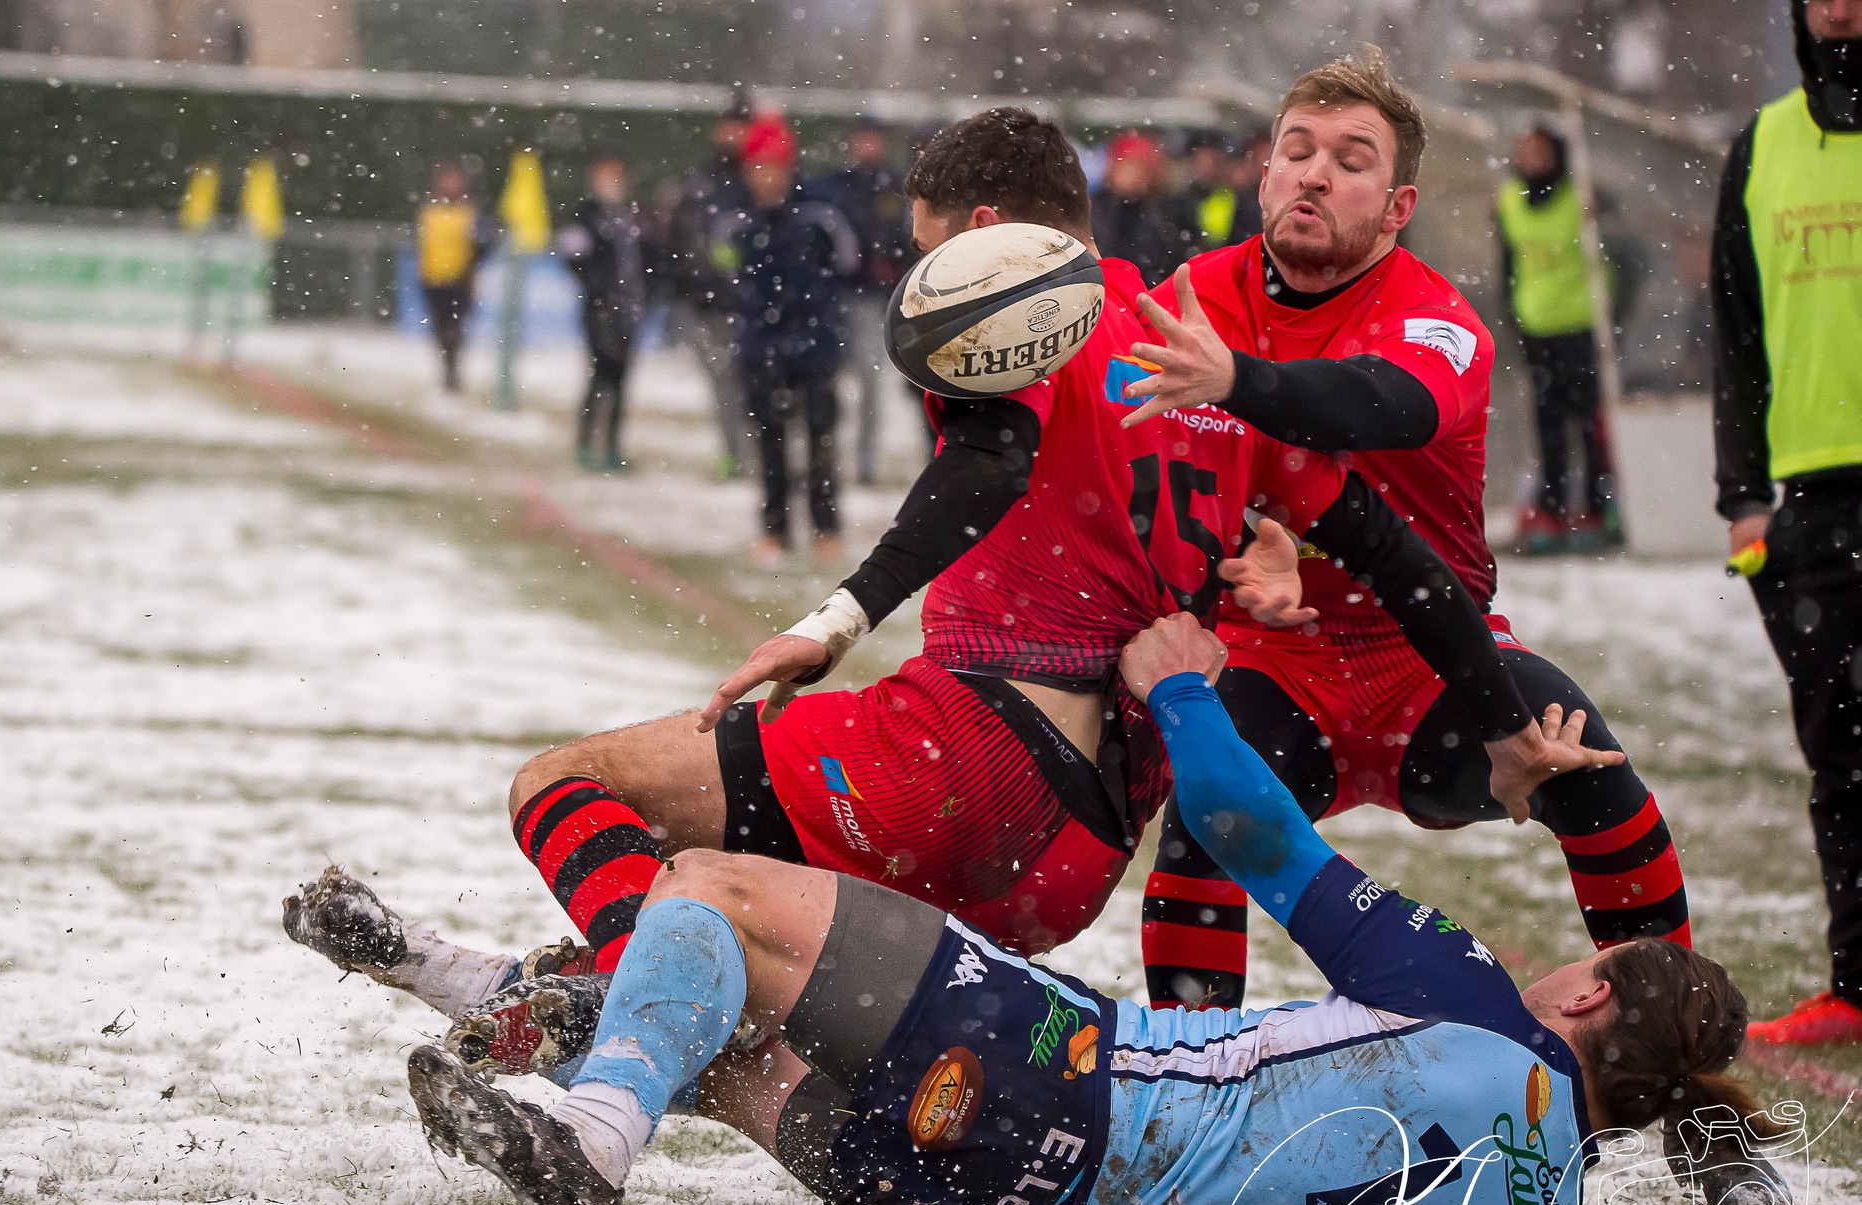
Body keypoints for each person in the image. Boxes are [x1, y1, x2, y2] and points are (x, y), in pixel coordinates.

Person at [490, 108, 1592, 1003]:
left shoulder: (1028, 315)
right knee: (777, 968)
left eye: (929, 248)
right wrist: (1502, 726)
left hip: (962, 761)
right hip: (1081, 855)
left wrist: (835, 619)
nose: (925, 273)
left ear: (983, 233)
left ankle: (616, 1001)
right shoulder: (1200, 360)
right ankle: (593, 1049)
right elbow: (1402, 561)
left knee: (567, 790)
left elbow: (990, 459)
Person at [383, 614, 1786, 1205]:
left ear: (1588, 992)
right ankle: (468, 982)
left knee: (711, 888)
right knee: (736, 1038)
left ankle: (590, 1140)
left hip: (1058, 1071)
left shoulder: (1479, 1006)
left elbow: (1249, 830)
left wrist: (1180, 691)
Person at [1127, 49, 1695, 1025]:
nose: (1313, 174)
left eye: (1350, 160)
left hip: (1429, 656)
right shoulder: (1193, 300)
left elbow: (1376, 404)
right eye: (1295, 151)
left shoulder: (1436, 318)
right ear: (1263, 176)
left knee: (1588, 768)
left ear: (1397, 208)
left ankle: (1685, 1072)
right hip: (1275, 658)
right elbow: (1134, 469)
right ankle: (1189, 1085)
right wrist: (1233, 554)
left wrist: (1236, 381)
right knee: (1203, 826)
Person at [1713, 0, 1862, 1046]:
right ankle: (1855, 985)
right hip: (1811, 501)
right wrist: (1741, 493)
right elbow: (1734, 331)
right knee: (1841, 753)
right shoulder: (1760, 148)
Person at [720, 115, 860, 565]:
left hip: (815, 348)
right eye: (757, 167)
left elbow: (849, 264)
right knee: (770, 445)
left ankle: (826, 529)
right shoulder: (734, 218)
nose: (766, 177)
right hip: (760, 351)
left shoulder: (821, 214)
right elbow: (719, 272)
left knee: (821, 444)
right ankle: (775, 530)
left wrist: (816, 322)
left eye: (774, 166)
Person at [1496, 126, 1621, 555]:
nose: (1533, 160)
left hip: (1581, 324)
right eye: (1526, 151)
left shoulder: (1578, 196)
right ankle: (1553, 506)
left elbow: (1614, 246)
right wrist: (1512, 314)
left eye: (1541, 151)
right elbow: (1507, 262)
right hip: (1536, 324)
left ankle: (1598, 505)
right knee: (1547, 420)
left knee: (1588, 420)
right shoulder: (1509, 200)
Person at [813, 116, 915, 487]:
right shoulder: (835, 186)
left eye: (873, 139)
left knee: (870, 381)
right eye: (862, 139)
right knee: (825, 380)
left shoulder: (897, 188)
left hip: (874, 299)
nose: (868, 146)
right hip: (836, 296)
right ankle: (824, 457)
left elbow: (907, 241)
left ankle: (865, 460)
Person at [662, 98, 759, 478]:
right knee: (724, 381)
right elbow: (682, 240)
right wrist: (693, 287)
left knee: (752, 382)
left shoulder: (759, 179)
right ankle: (735, 454)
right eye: (728, 125)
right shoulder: (700, 182)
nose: (732, 134)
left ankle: (754, 453)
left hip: (753, 304)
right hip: (710, 304)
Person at [557, 146, 647, 474]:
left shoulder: (634, 216)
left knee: (621, 379)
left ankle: (611, 445)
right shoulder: (586, 215)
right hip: (600, 309)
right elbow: (574, 257)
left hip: (629, 307)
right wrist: (597, 288)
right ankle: (587, 443)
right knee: (601, 375)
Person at [416, 160, 495, 394]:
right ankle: (448, 374)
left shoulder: (471, 213)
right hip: (433, 280)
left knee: (454, 331)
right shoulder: (429, 213)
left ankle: (452, 375)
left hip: (460, 281)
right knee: (441, 331)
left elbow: (485, 244)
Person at [1089, 130, 1185, 284]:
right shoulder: (1093, 211)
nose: (1134, 175)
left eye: (1140, 168)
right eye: (1128, 166)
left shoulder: (1163, 214)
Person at [1170, 131, 1240, 261]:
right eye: (1201, 159)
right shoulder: (1176, 204)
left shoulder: (1236, 201)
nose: (1207, 165)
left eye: (1212, 159)